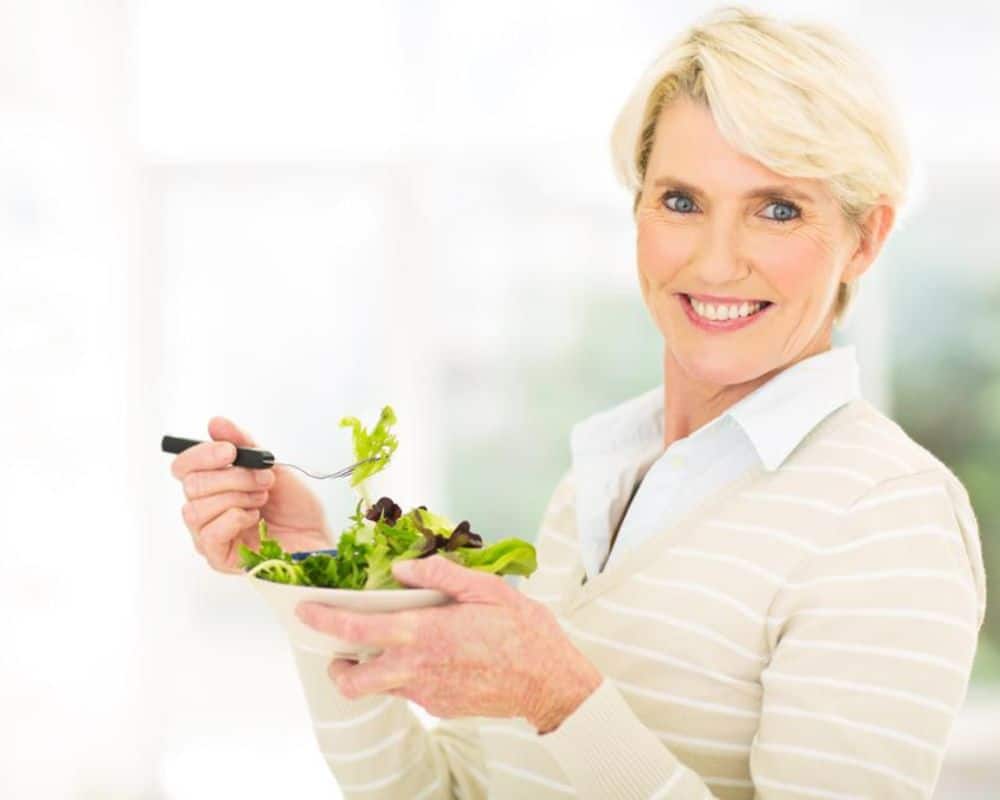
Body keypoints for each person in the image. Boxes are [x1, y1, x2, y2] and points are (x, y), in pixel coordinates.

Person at [168, 5, 987, 798]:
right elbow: (444, 792)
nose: (717, 258)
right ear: (636, 208)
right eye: (681, 201)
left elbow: (560, 711)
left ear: (866, 238)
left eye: (778, 209)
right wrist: (310, 575)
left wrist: (560, 698)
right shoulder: (599, 483)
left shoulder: (889, 519)